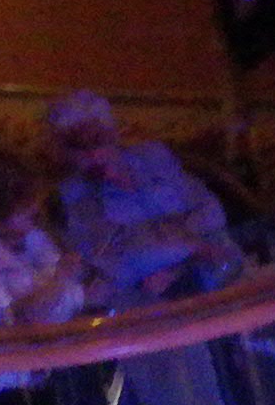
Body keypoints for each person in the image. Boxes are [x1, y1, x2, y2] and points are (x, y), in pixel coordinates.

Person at [42, 91, 238, 306]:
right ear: (64, 153)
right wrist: (182, 245)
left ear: (113, 134)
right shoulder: (72, 194)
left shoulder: (152, 156)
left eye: (98, 141)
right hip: (150, 294)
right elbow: (108, 262)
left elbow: (211, 211)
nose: (93, 155)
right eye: (77, 148)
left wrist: (181, 254)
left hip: (213, 264)